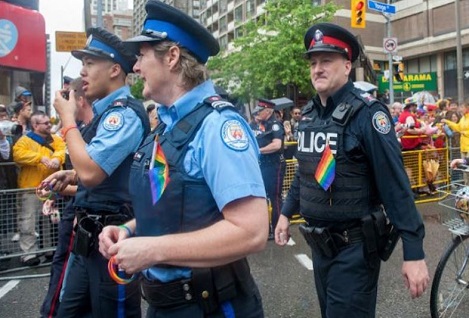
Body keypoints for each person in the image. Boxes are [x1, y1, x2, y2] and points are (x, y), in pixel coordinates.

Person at [98, 1, 268, 317]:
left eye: (142, 56)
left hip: (211, 305)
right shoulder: (167, 124)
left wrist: (152, 249)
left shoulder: (217, 126)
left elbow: (252, 231)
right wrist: (131, 230)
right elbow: (175, 204)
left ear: (172, 57)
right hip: (165, 305)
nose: (135, 67)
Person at [274, 22, 429, 317]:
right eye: (314, 62)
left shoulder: (367, 114)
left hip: (354, 251)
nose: (317, 68)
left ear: (347, 66)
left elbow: (396, 186)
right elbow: (306, 173)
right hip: (320, 247)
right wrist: (285, 212)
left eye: (326, 61)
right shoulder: (308, 116)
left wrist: (414, 252)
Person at [39, 27, 150, 317]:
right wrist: (71, 175)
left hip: (112, 240)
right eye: (82, 64)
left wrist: (67, 119)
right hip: (87, 239)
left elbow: (91, 172)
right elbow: (97, 169)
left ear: (115, 70)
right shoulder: (106, 112)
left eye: (90, 64)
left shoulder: (122, 113)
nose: (82, 72)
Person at [40, 77, 94, 318]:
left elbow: (92, 179)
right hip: (75, 207)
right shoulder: (77, 131)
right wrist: (56, 189)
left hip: (84, 214)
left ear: (78, 99)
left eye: (66, 95)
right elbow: (76, 174)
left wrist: (63, 188)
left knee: (65, 270)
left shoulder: (88, 130)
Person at [12, 111, 66, 266]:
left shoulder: (55, 139)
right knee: (28, 221)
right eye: (46, 123)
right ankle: (29, 253)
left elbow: (61, 148)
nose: (50, 125)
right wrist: (39, 158)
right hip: (30, 188)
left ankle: (48, 249)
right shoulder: (25, 140)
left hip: (50, 188)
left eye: (49, 122)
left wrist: (56, 159)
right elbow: (18, 154)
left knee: (49, 220)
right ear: (35, 125)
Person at [250, 98, 286, 240]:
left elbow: (277, 145)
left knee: (275, 197)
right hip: (260, 165)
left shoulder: (275, 125)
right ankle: (263, 229)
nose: (257, 113)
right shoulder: (256, 124)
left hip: (274, 165)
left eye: (260, 110)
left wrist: (258, 150)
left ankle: (277, 228)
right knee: (260, 198)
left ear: (268, 111)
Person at [443, 101, 469, 184]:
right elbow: (458, 128)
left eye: (462, 107)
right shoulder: (463, 118)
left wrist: (465, 133)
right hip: (463, 147)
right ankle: (466, 186)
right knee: (464, 169)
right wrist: (448, 122)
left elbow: (462, 130)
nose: (461, 109)